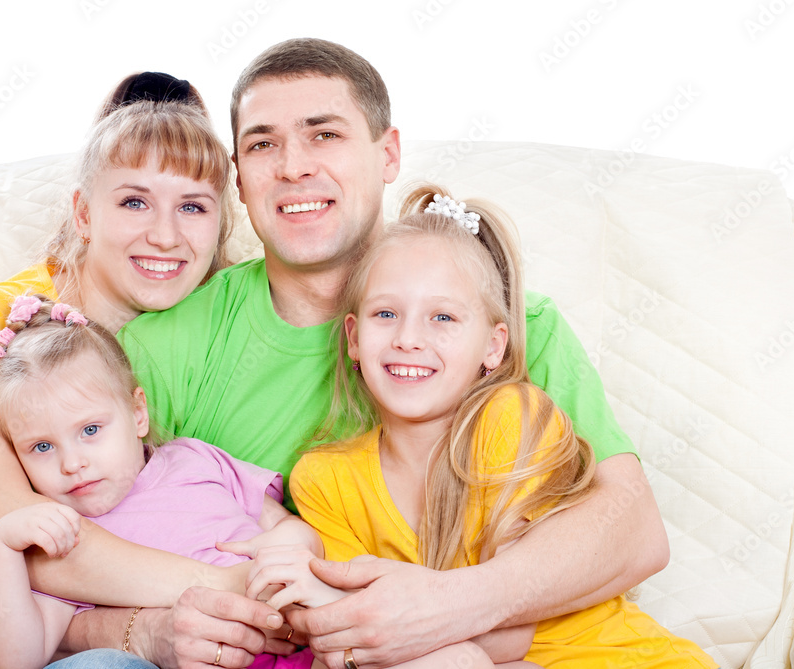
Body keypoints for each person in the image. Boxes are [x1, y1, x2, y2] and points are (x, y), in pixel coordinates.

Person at [110, 38, 669, 668]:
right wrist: (136, 631)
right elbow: (61, 535)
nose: (294, 167)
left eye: (324, 134)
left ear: (389, 153)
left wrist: (447, 608)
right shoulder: (165, 348)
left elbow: (634, 531)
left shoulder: (514, 321)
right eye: (263, 143)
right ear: (239, 175)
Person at [0, 75, 289, 667]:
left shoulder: (184, 348)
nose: (164, 235)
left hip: (57, 643)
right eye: (134, 201)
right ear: (83, 212)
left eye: (192, 206)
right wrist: (249, 592)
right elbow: (22, 538)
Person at [242, 186, 717, 668]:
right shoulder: (325, 480)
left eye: (442, 317)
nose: (408, 339)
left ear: (493, 348)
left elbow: (509, 631)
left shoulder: (509, 421)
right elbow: (349, 642)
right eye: (386, 314)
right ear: (353, 338)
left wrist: (359, 626)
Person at [0, 296, 321, 669]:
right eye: (42, 446)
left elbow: (291, 527)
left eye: (90, 430)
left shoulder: (195, 460)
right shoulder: (63, 537)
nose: (72, 463)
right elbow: (17, 660)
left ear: (137, 413)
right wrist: (3, 544)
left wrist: (282, 555)